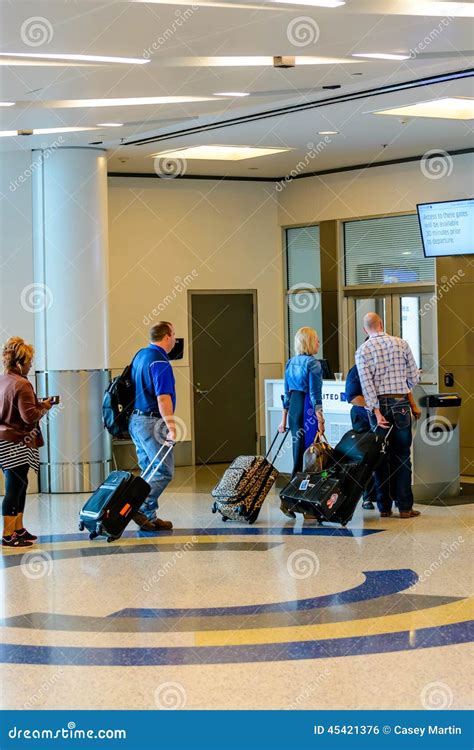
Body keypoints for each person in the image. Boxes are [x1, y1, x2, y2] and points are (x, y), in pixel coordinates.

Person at [355, 313, 421, 519]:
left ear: (365, 330)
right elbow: (415, 377)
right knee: (402, 456)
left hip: (378, 409)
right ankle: (405, 507)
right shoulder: (401, 344)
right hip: (400, 403)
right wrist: (402, 388)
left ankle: (384, 507)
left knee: (380, 457)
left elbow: (366, 385)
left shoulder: (362, 350)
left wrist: (375, 410)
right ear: (381, 324)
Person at [0, 337, 53, 547]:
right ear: (20, 362)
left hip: (4, 440)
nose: (31, 365)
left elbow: (13, 406)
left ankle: (18, 528)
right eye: (29, 361)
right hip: (16, 442)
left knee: (20, 484)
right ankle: (7, 534)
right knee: (15, 488)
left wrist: (38, 403)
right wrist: (45, 408)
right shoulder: (22, 383)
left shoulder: (4, 380)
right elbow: (29, 417)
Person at [128, 321, 177, 532]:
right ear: (167, 336)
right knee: (163, 471)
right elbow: (163, 398)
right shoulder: (160, 362)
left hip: (137, 420)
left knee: (148, 469)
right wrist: (172, 426)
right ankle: (136, 507)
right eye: (173, 334)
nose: (175, 339)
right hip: (152, 423)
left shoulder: (140, 355)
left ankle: (148, 516)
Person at [278, 327, 324, 518]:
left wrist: (283, 421)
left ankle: (288, 500)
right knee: (310, 458)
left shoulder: (290, 362)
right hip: (307, 410)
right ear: (310, 342)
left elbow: (286, 394)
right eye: (317, 340)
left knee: (298, 455)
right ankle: (305, 506)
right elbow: (315, 395)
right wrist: (320, 419)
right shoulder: (313, 364)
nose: (319, 344)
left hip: (295, 410)